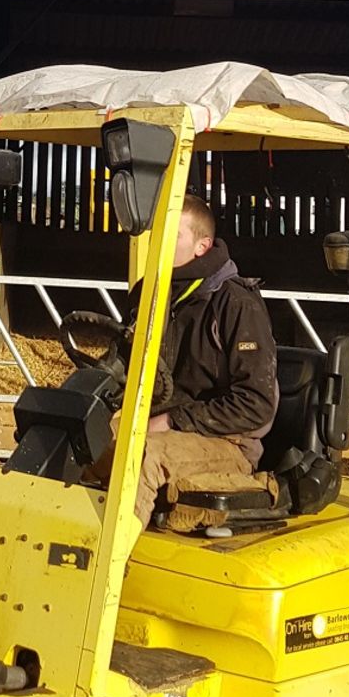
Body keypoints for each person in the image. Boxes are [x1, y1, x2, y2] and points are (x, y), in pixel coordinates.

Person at [123, 196, 280, 529]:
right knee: (82, 435)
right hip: (159, 423)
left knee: (140, 457)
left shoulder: (235, 304)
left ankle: (114, 566)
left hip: (228, 443)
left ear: (202, 245)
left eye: (172, 234)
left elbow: (257, 404)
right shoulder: (151, 294)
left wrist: (173, 420)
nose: (159, 241)